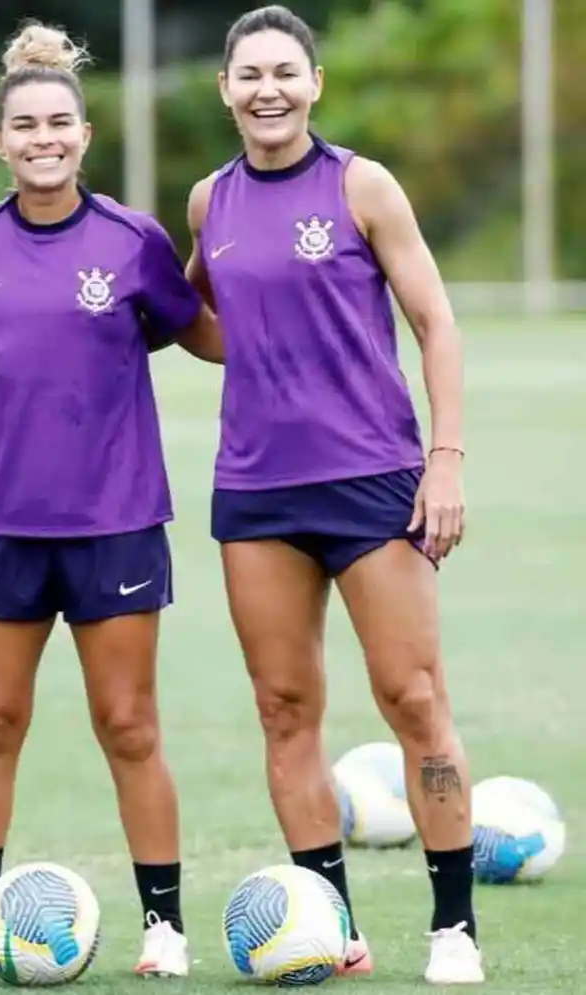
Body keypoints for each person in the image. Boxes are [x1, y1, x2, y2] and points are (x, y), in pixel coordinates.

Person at [186, 4, 480, 986]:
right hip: (255, 493)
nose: (267, 89)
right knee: (282, 707)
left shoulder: (362, 185)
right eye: (249, 74)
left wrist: (445, 458)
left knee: (414, 696)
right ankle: (332, 926)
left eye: (285, 72)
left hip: (372, 484)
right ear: (224, 89)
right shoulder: (207, 202)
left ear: (313, 84)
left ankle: (453, 928)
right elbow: (197, 316)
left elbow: (436, 321)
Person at [0, 21, 224, 980]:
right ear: (0, 142)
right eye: (26, 126)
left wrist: (300, 320)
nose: (44, 138)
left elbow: (196, 329)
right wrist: (3, 383)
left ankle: (165, 929)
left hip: (116, 520)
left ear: (84, 136)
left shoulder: (134, 239)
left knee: (130, 723)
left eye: (61, 122)